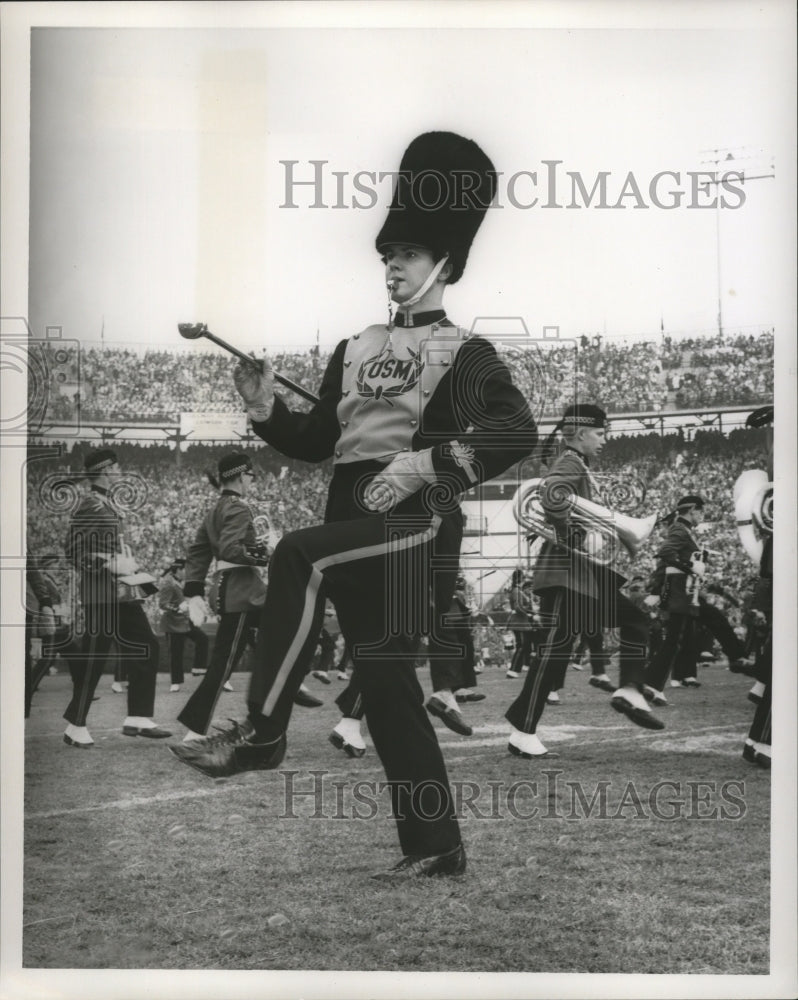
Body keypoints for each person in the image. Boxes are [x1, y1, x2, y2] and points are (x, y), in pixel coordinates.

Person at [170, 130, 538, 881]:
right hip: (354, 515)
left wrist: (427, 462)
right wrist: (268, 409)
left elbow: (516, 432)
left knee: (298, 552)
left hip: (412, 524)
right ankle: (438, 847)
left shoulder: (466, 353)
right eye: (387, 256)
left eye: (405, 255)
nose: (392, 268)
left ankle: (265, 733)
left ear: (443, 263)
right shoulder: (353, 347)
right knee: (392, 687)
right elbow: (317, 440)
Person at [505, 404, 663, 759]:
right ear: (580, 433)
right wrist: (575, 534)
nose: (605, 440)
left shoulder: (579, 464)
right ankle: (523, 730)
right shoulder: (571, 462)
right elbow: (550, 496)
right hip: (565, 574)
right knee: (553, 654)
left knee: (636, 620)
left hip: (584, 576)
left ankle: (631, 690)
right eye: (601, 433)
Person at [63, 448, 171, 747]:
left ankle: (137, 716)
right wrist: (108, 563)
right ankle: (75, 725)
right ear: (106, 469)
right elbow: (72, 551)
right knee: (94, 660)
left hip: (119, 595)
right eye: (116, 466)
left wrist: (132, 569)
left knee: (147, 645)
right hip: (101, 597)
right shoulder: (90, 505)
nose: (120, 470)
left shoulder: (103, 504)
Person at [173, 453, 270, 743]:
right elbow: (230, 549)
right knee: (223, 664)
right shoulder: (240, 508)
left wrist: (193, 589)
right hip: (240, 593)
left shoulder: (215, 508)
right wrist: (267, 553)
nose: (252, 482)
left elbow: (198, 552)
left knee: (279, 632)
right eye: (251, 476)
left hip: (239, 591)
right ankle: (194, 726)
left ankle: (284, 686)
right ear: (242, 476)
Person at [642, 496, 749, 704]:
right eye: (701, 512)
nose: (702, 516)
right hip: (681, 595)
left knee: (674, 641)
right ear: (692, 510)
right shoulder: (680, 529)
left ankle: (651, 684)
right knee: (711, 620)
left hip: (685, 594)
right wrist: (690, 567)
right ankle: (737, 657)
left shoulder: (684, 530)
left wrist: (698, 560)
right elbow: (666, 553)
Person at [158, 558, 209, 692]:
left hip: (185, 621)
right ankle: (175, 682)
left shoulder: (179, 581)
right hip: (173, 623)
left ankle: (198, 668)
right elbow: (162, 604)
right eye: (186, 569)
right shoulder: (168, 583)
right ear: (179, 570)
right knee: (176, 653)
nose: (188, 572)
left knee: (202, 639)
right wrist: (177, 608)